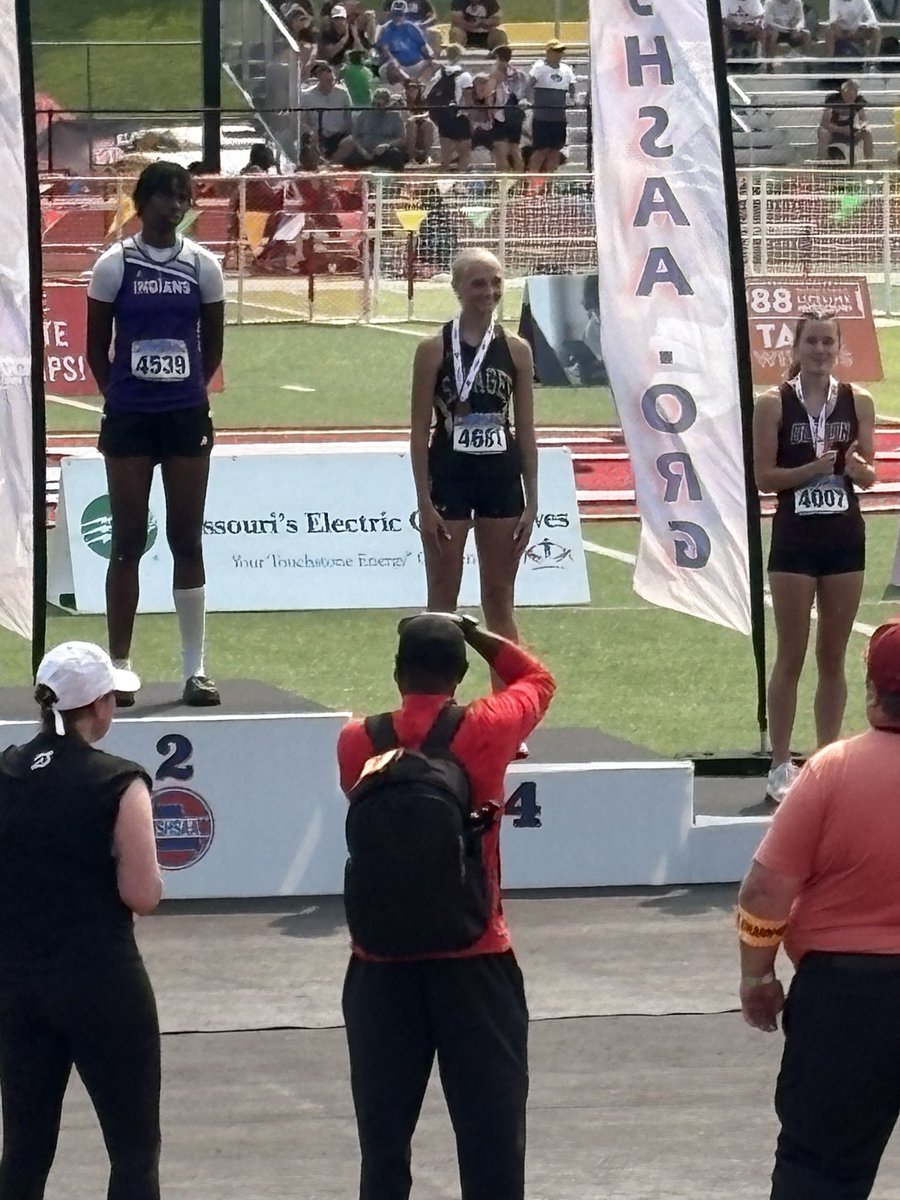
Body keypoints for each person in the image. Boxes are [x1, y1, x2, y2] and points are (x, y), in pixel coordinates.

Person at [338, 612, 555, 1200]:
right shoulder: (486, 727)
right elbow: (536, 679)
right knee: (492, 1143)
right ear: (461, 673)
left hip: (379, 964)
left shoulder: (358, 739)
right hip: (475, 955)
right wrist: (479, 633)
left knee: (382, 1150)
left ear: (396, 672)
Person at [737, 618, 900, 1198]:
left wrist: (757, 975)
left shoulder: (831, 770)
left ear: (874, 692)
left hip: (846, 1000)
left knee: (821, 1171)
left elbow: (764, 892)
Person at [0, 641, 163, 1199]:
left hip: (17, 984)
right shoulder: (120, 781)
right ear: (98, 705)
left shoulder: (5, 769)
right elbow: (141, 893)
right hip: (102, 982)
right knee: (133, 1151)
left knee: (23, 1148)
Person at [86, 161, 225, 708]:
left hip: (185, 416)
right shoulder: (113, 265)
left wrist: (189, 390)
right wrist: (119, 395)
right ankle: (118, 667)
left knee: (186, 538)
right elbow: (96, 346)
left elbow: (211, 348)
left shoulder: (203, 266)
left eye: (183, 197)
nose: (175, 205)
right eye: (165, 196)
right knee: (126, 539)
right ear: (141, 204)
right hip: (129, 417)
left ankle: (196, 669)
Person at [752, 312, 876, 805]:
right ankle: (781, 762)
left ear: (839, 348)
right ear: (797, 348)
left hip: (845, 537)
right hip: (795, 539)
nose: (821, 349)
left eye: (829, 341)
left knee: (833, 654)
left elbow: (868, 475)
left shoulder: (858, 401)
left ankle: (827, 761)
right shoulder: (773, 404)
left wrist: (855, 467)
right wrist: (812, 469)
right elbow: (764, 478)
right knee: (792, 654)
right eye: (812, 341)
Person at [410, 249, 537, 697]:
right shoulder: (432, 350)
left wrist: (533, 499)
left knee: (499, 600)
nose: (489, 292)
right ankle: (432, 706)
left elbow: (526, 430)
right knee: (441, 602)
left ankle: (508, 711)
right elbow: (418, 433)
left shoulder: (517, 351)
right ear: (458, 289)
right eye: (479, 283)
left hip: (501, 480)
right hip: (449, 476)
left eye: (496, 282)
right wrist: (424, 502)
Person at [526, 41, 576, 175]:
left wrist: (572, 99)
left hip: (559, 117)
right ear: (548, 52)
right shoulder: (539, 67)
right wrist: (530, 101)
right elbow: (529, 85)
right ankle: (531, 183)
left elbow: (572, 88)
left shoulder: (566, 69)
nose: (558, 54)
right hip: (542, 117)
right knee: (540, 150)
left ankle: (548, 184)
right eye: (555, 51)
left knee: (554, 151)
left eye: (560, 51)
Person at [333, 86, 409, 169]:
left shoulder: (395, 117)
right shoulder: (364, 114)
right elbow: (355, 137)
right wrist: (362, 151)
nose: (375, 107)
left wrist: (387, 145)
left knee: (395, 157)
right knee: (350, 160)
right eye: (374, 103)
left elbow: (402, 139)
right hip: (365, 151)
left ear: (387, 104)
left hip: (384, 152)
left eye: (379, 104)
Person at [425, 43, 473, 170]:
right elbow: (468, 101)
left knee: (445, 156)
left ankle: (443, 182)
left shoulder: (439, 74)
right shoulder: (464, 76)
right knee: (465, 152)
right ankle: (460, 181)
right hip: (458, 116)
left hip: (442, 116)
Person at [299, 61, 354, 158]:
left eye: (332, 80)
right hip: (317, 137)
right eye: (327, 81)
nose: (331, 83)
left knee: (351, 142)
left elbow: (349, 116)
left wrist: (347, 131)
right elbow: (301, 120)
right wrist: (310, 132)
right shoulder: (307, 96)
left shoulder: (342, 93)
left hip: (338, 136)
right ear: (319, 79)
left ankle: (331, 164)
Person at [817, 78, 875, 164]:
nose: (852, 94)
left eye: (855, 91)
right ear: (843, 91)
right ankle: (823, 163)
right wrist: (842, 130)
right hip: (833, 133)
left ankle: (869, 165)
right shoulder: (833, 100)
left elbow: (864, 119)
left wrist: (863, 126)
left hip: (851, 133)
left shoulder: (858, 101)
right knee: (823, 131)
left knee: (867, 132)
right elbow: (825, 122)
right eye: (850, 90)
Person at [375, 0, 433, 84]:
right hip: (397, 66)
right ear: (392, 14)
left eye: (400, 14)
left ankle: (418, 81)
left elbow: (423, 47)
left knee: (433, 63)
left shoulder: (413, 27)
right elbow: (385, 50)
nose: (398, 17)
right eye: (395, 14)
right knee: (389, 67)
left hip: (416, 65)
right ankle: (408, 82)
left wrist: (429, 57)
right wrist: (395, 62)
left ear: (405, 14)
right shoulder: (386, 29)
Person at [491, 45, 526, 172]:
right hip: (516, 112)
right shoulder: (519, 74)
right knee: (515, 150)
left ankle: (504, 185)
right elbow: (524, 93)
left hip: (502, 112)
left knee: (500, 151)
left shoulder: (496, 73)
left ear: (498, 58)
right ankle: (519, 184)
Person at [466, 71, 509, 171]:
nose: (482, 87)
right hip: (473, 131)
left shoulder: (495, 97)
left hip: (490, 130)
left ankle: (501, 180)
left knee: (501, 150)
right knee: (463, 147)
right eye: (479, 84)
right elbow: (471, 116)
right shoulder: (468, 98)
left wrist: (489, 102)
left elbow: (496, 116)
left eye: (484, 84)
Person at [318, 3, 367, 67]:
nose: (339, 21)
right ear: (332, 20)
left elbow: (361, 51)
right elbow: (331, 53)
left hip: (350, 65)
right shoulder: (328, 33)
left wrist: (355, 37)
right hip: (334, 65)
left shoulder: (352, 30)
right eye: (336, 18)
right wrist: (345, 38)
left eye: (341, 18)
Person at [402, 78, 437, 164]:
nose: (412, 91)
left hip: (420, 123)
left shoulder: (423, 100)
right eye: (409, 89)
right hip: (406, 126)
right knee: (411, 124)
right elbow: (405, 115)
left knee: (428, 124)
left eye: (415, 88)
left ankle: (428, 156)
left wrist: (417, 117)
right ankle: (411, 157)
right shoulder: (402, 100)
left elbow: (428, 113)